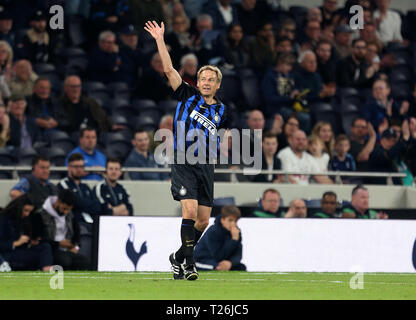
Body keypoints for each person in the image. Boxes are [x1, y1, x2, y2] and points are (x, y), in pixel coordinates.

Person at [144, 20, 230, 281]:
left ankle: (178, 256)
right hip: (183, 160)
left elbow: (220, 135)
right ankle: (189, 265)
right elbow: (169, 69)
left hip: (206, 165)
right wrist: (160, 39)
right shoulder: (187, 95)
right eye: (203, 78)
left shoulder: (222, 110)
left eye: (211, 80)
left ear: (217, 85)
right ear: (198, 81)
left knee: (203, 221)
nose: (206, 82)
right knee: (190, 213)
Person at [57, 153, 101, 259]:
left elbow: (96, 206)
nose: (79, 169)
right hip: (75, 223)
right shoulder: (63, 184)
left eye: (81, 167)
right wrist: (84, 203)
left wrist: (81, 203)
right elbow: (73, 202)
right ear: (69, 167)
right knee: (83, 232)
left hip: (91, 222)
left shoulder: (85, 187)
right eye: (76, 167)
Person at [35, 189, 91, 270]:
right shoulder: (41, 215)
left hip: (67, 249)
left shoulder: (70, 215)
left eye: (68, 209)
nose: (66, 212)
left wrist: (75, 247)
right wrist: (59, 244)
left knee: (85, 262)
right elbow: (40, 239)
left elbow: (76, 234)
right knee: (65, 261)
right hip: (50, 250)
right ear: (58, 201)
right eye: (64, 208)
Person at [0, 194, 53, 271]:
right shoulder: (4, 218)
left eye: (29, 211)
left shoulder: (24, 219)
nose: (27, 214)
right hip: (8, 253)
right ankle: (45, 269)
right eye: (25, 210)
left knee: (45, 246)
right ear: (18, 207)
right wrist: (15, 243)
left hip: (21, 250)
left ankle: (46, 269)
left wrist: (30, 242)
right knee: (41, 256)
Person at [194, 205, 246, 271]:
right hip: (202, 260)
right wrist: (234, 240)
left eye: (235, 221)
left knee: (241, 267)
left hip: (222, 261)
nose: (233, 224)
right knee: (218, 267)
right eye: (230, 220)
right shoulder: (213, 231)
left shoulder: (236, 232)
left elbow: (238, 255)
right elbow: (218, 256)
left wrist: (230, 263)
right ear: (222, 220)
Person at [261, 52, 298, 118]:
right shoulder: (269, 77)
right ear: (280, 63)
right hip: (275, 108)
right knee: (302, 117)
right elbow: (270, 98)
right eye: (288, 65)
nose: (290, 68)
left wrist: (295, 93)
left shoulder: (289, 75)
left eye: (291, 66)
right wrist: (288, 98)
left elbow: (293, 89)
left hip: (288, 106)